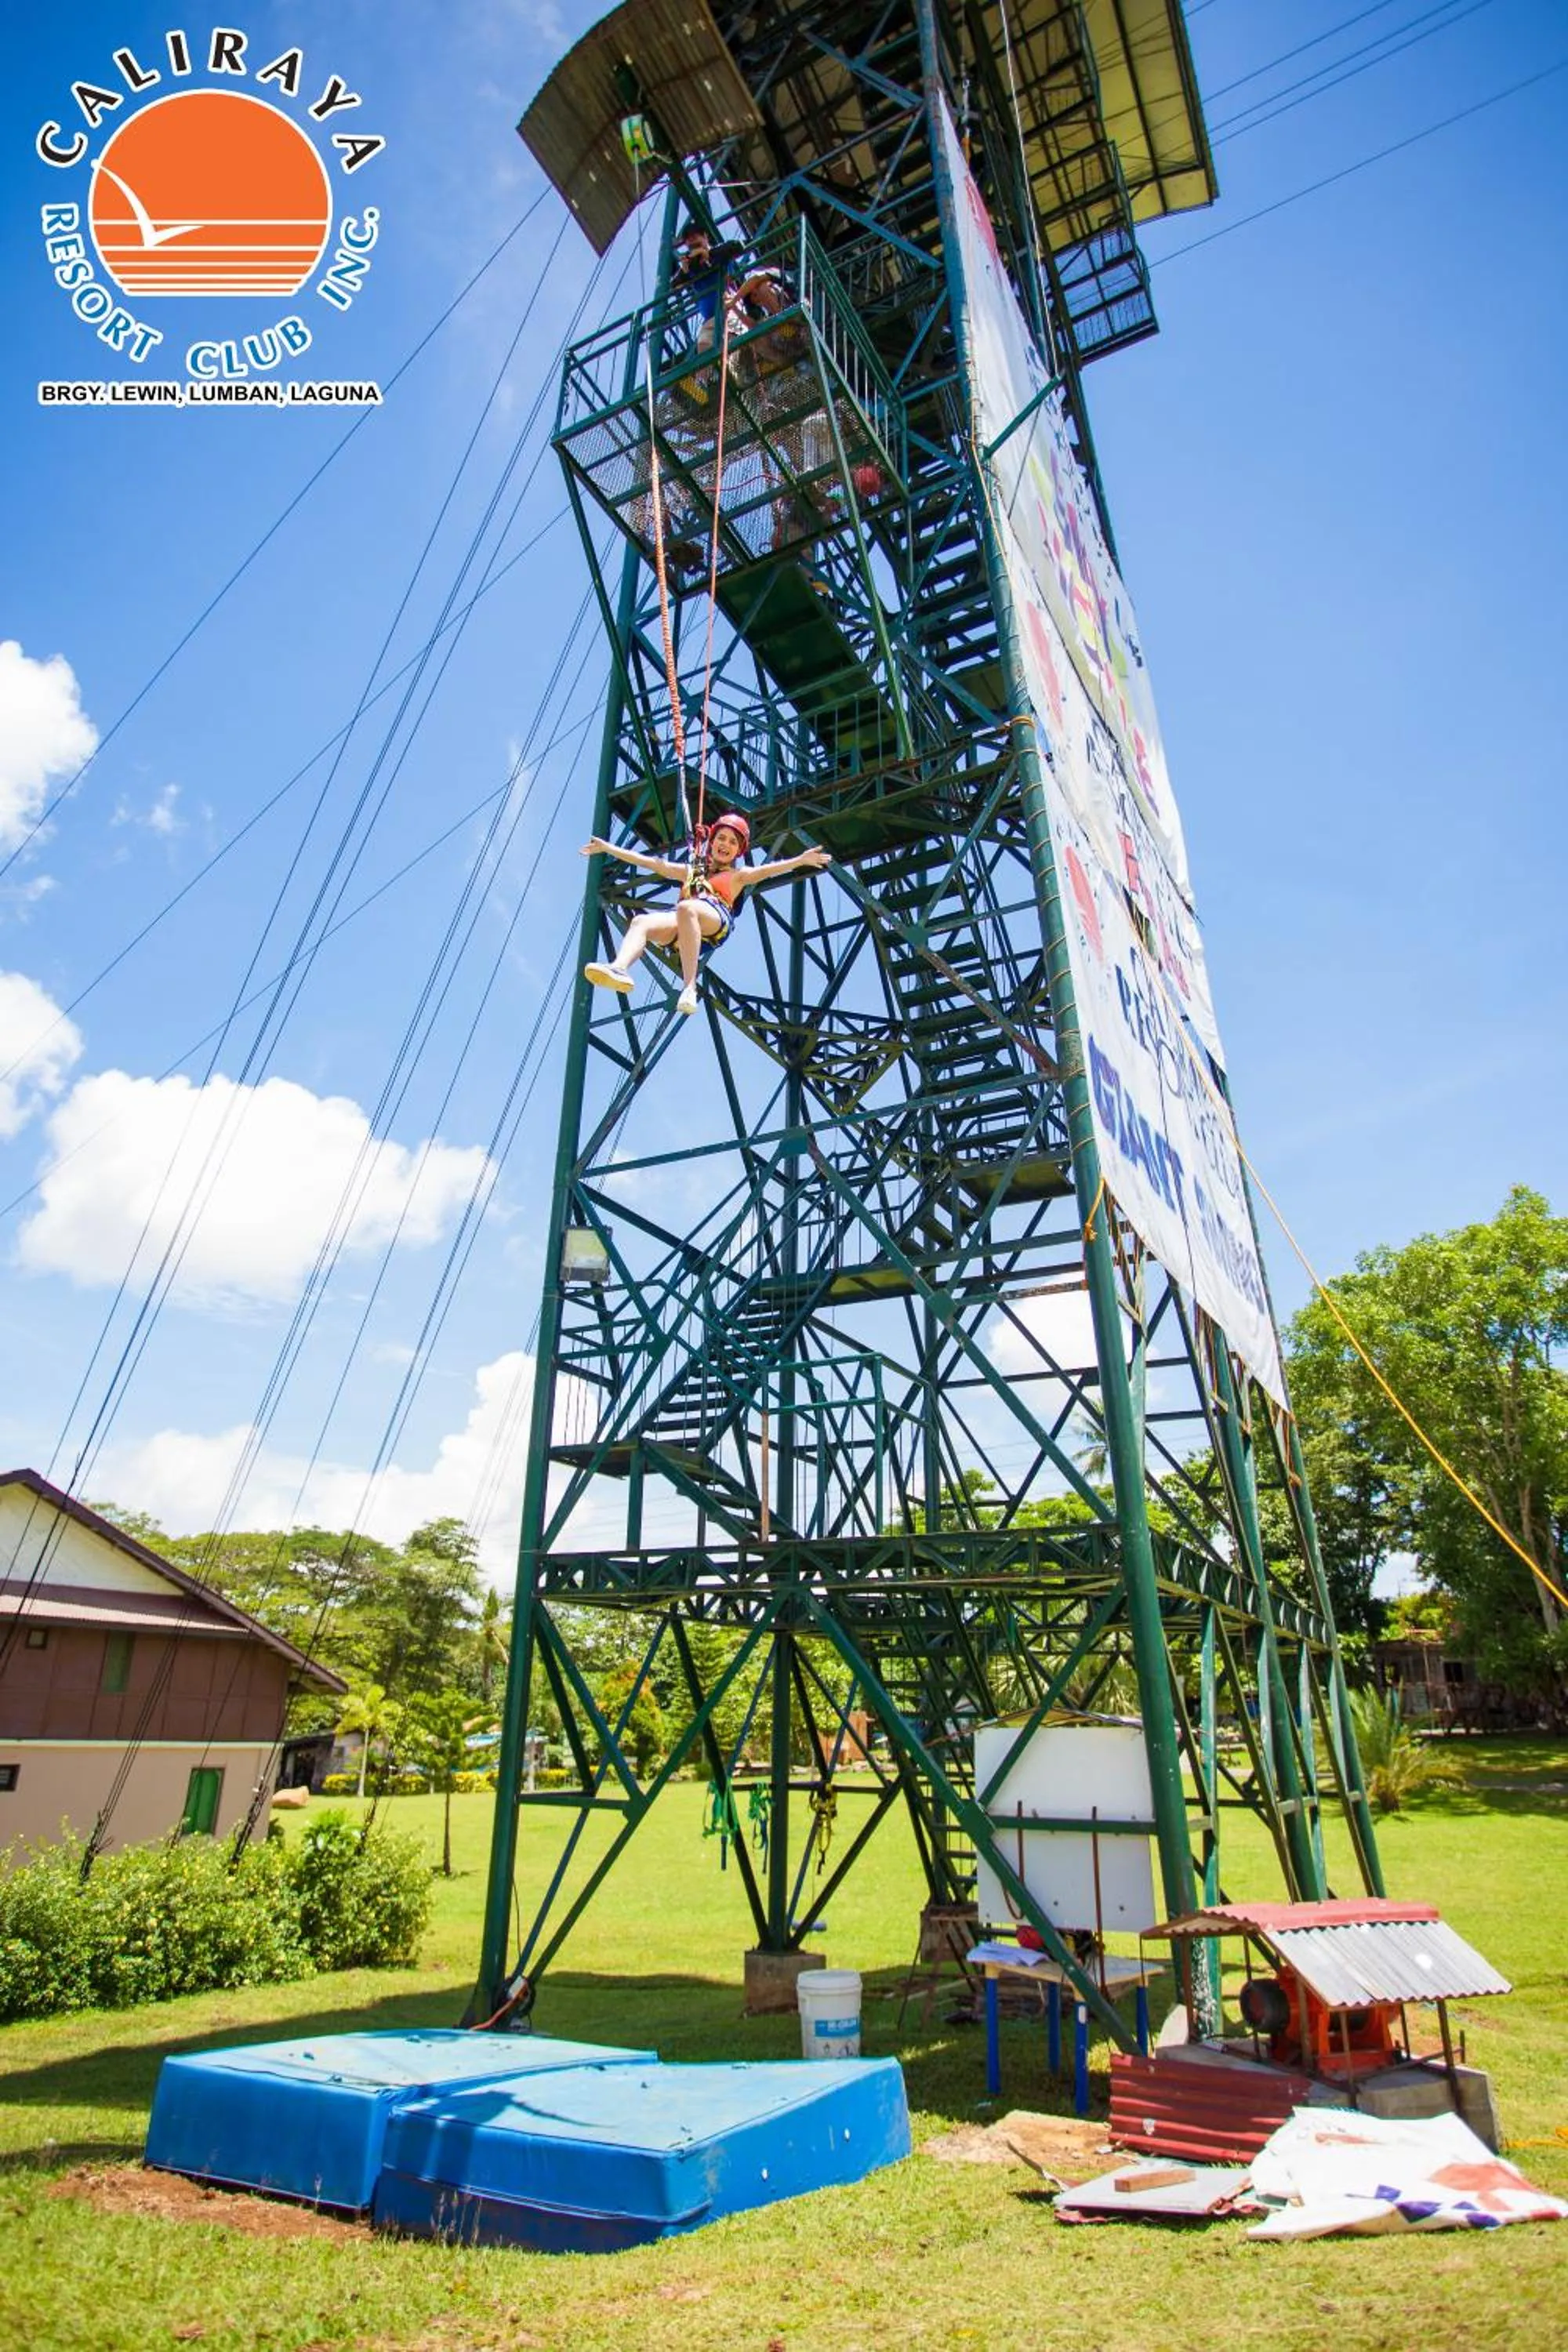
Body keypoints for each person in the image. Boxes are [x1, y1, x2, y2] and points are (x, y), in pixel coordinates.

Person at [582, 814, 832, 1017]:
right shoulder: (692, 871)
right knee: (641, 922)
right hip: (684, 922)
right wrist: (608, 849)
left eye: (733, 842)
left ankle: (689, 987)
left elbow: (768, 871)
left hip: (715, 917)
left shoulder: (738, 876)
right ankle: (620, 968)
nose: (725, 844)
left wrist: (800, 860)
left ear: (738, 851)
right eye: (721, 838)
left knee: (687, 908)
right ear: (712, 841)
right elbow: (653, 864)